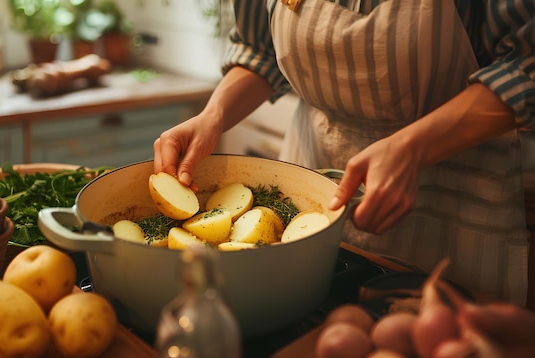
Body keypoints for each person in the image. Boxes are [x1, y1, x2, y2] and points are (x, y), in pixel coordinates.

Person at [152, 0, 535, 306]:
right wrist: (212, 117)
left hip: (455, 179)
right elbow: (258, 50)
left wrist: (413, 147)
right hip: (316, 156)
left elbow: (526, 66)